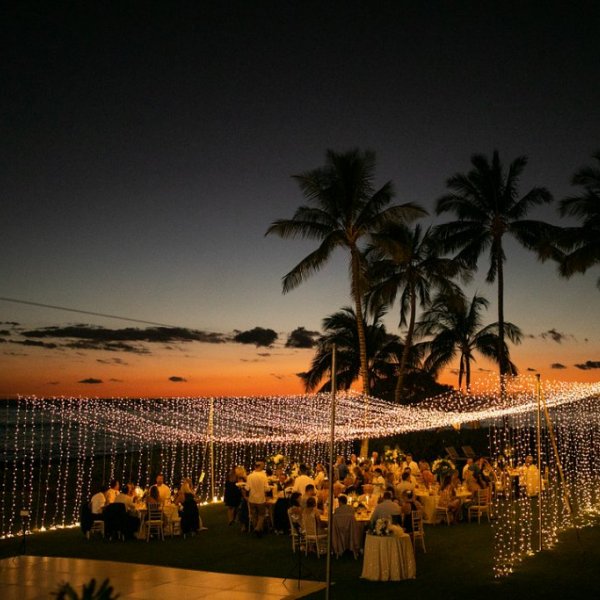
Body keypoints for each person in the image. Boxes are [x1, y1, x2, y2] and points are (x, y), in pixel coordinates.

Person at [245, 461, 271, 537]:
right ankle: (257, 528)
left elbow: (247, 488)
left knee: (253, 514)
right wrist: (269, 489)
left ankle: (257, 529)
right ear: (260, 466)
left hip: (252, 498)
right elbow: (266, 488)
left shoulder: (250, 476)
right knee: (261, 514)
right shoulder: (263, 476)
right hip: (260, 498)